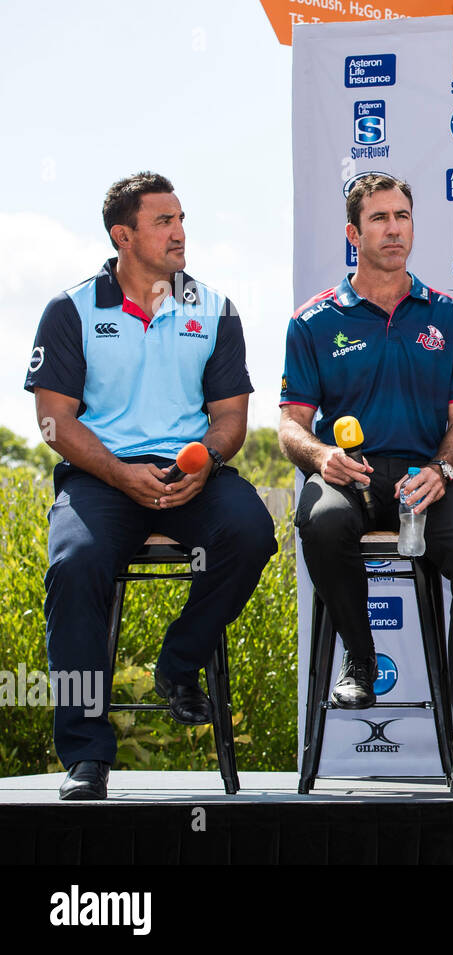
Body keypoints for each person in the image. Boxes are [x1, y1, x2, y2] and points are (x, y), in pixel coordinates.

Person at [25, 172, 277, 801]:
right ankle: (86, 756)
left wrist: (202, 463)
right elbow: (54, 418)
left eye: (182, 219)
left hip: (191, 471)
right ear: (123, 235)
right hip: (101, 477)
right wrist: (117, 472)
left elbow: (231, 418)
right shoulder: (71, 309)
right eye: (164, 222)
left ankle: (179, 662)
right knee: (75, 562)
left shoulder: (214, 307)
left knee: (253, 531)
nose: (180, 233)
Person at [279, 173, 453, 795]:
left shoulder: (447, 315)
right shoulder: (313, 322)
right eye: (380, 218)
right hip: (348, 474)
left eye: (403, 216)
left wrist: (444, 470)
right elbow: (290, 425)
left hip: (422, 475)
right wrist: (320, 455)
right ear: (353, 233)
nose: (394, 228)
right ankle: (359, 656)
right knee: (323, 521)